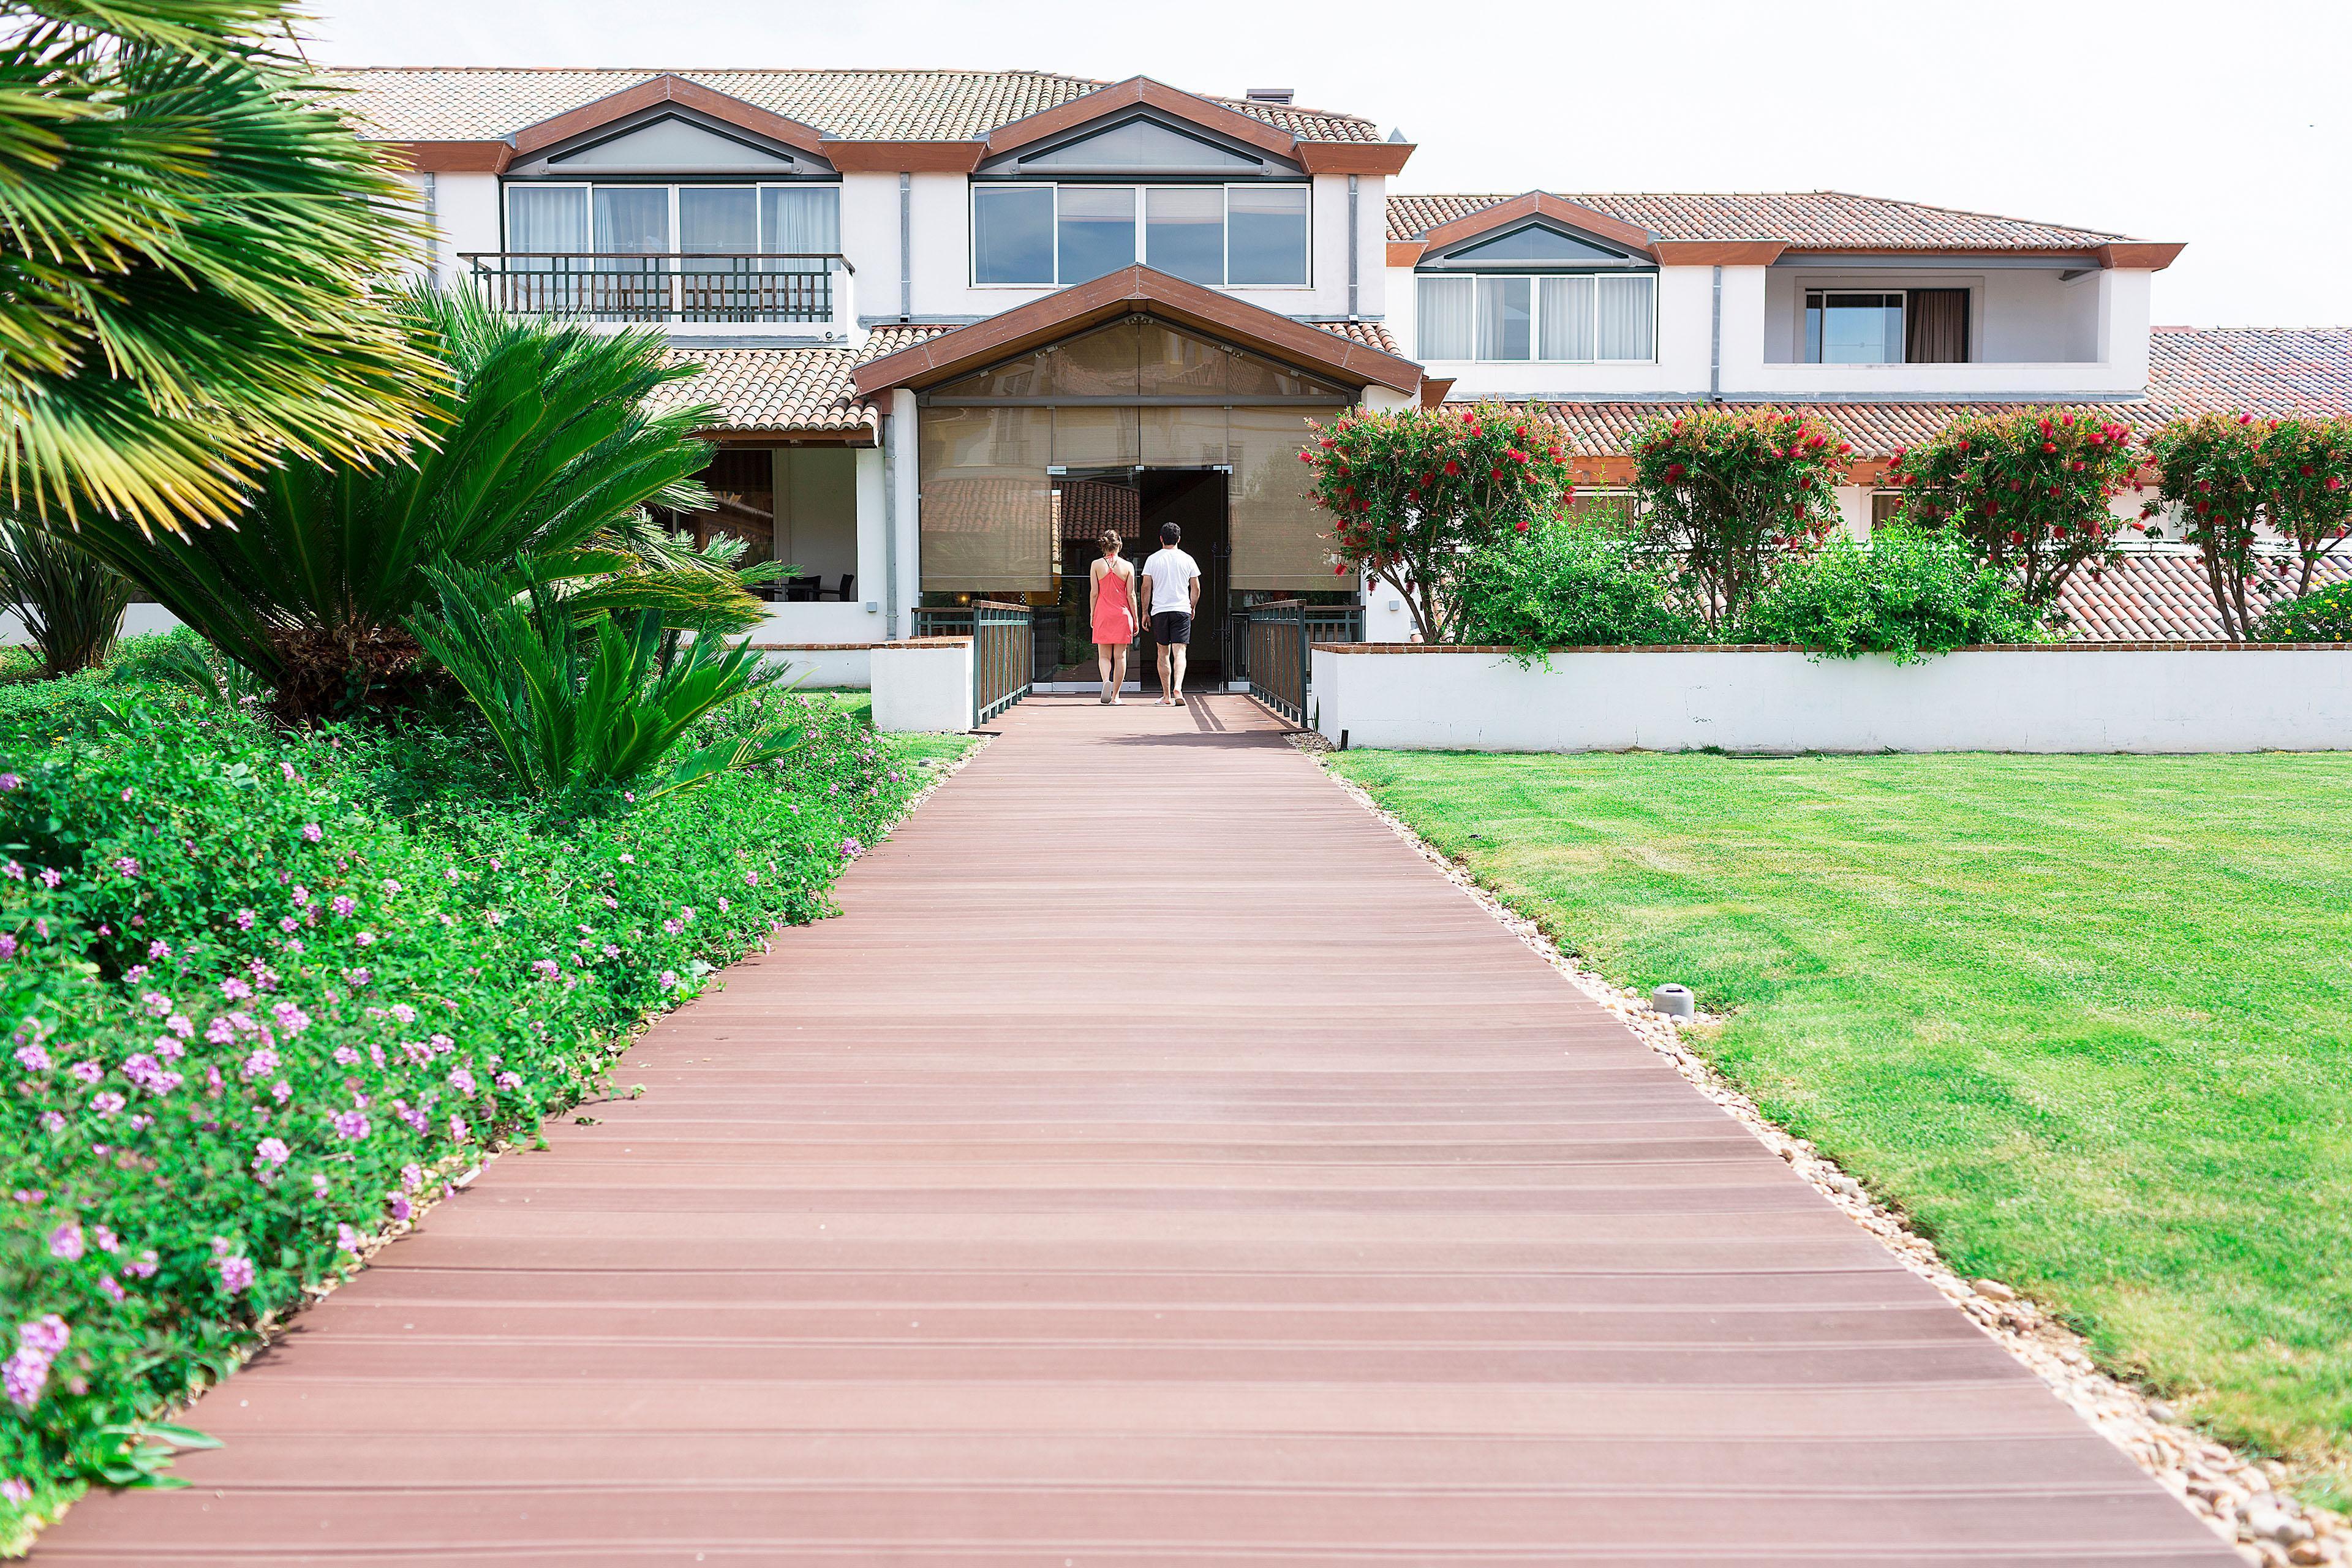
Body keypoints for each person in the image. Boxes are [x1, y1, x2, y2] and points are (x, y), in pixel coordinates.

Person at [1139, 519, 1200, 706]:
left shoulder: (1153, 560)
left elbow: (1145, 587)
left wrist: (1145, 612)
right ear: (1179, 539)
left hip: (1160, 611)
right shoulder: (1188, 559)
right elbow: (1196, 587)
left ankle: (1166, 696)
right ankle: (1178, 689)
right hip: (1182, 609)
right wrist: (1192, 606)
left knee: (1162, 652)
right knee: (1180, 652)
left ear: (1161, 539)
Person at [1088, 527, 1138, 704]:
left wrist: (1093, 613)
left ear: (1104, 546)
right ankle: (1116, 696)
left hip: (1103, 613)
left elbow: (1094, 593)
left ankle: (1105, 682)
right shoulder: (1128, 566)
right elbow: (1132, 595)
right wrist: (1136, 619)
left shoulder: (1096, 565)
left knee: (1103, 656)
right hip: (1123, 615)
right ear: (1120, 545)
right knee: (1120, 657)